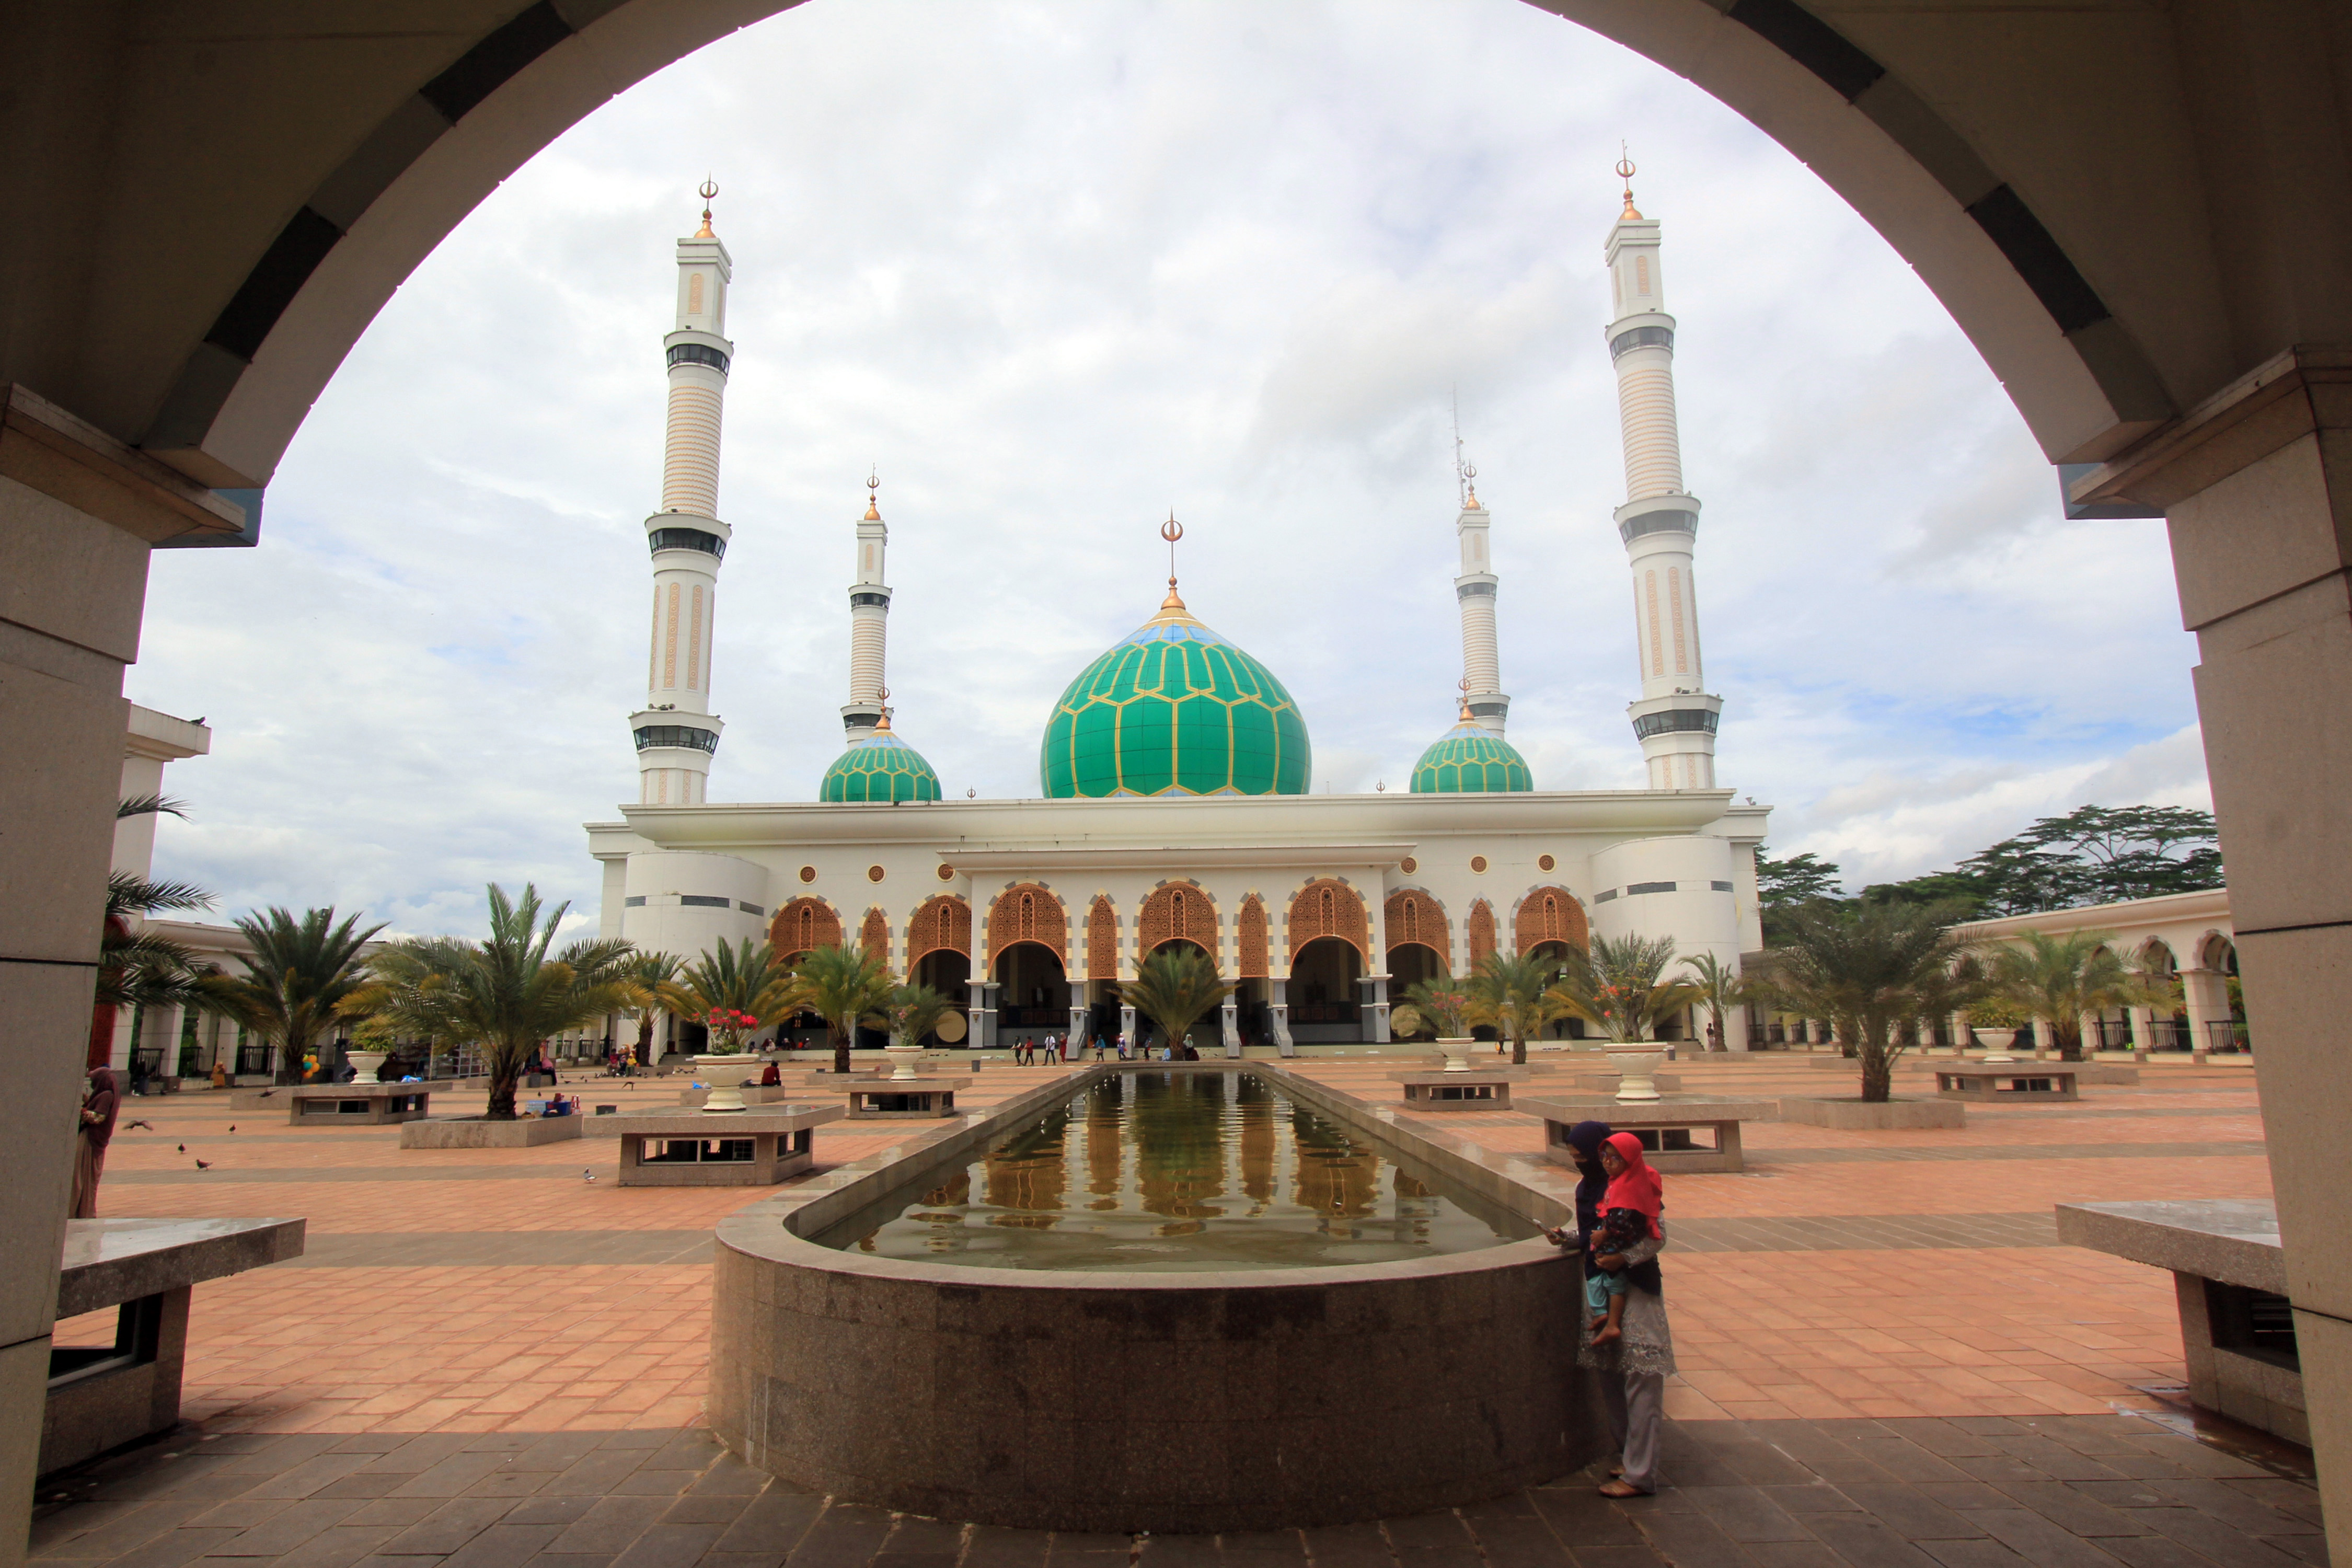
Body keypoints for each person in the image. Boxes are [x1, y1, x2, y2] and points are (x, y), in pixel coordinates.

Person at [1545, 1123, 1674, 1498]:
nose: (1590, 1164)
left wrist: (1624, 1258)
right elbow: (1591, 1231)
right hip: (1599, 1284)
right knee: (1610, 1374)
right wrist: (1569, 1239)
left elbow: (1658, 1234)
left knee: (1641, 1375)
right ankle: (1629, 1456)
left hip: (1637, 1288)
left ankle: (1641, 1473)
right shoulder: (1588, 1188)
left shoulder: (1639, 1182)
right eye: (1583, 1158)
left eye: (1588, 1157)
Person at [71, 1067, 121, 1219]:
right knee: (86, 1179)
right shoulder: (105, 1095)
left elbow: (98, 1117)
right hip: (94, 1140)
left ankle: (78, 1211)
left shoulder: (106, 1095)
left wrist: (81, 1113)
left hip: (90, 1139)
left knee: (80, 1176)